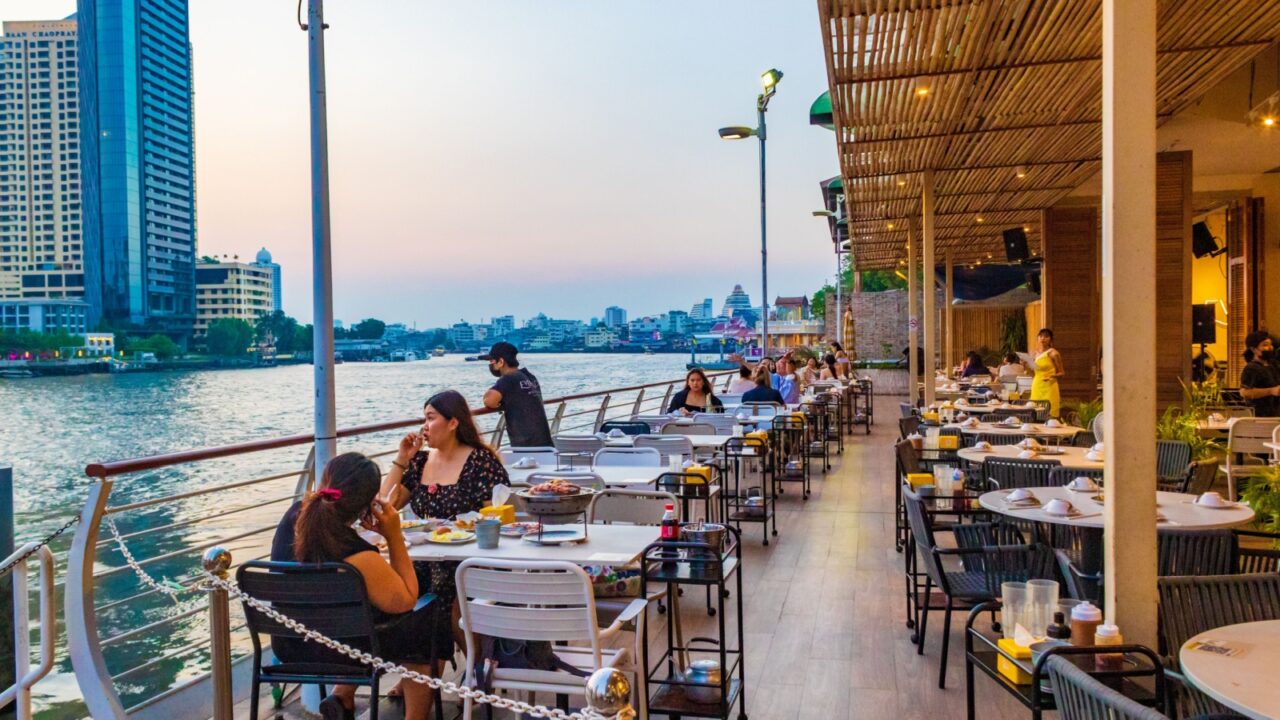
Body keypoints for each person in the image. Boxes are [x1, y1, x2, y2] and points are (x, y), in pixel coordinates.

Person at [271, 453, 438, 720]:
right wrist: (393, 535)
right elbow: (406, 599)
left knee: (356, 617)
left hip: (290, 645)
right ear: (367, 504)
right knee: (426, 620)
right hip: (345, 651)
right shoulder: (357, 555)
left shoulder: (293, 516)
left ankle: (342, 697)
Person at [380, 390, 510, 665]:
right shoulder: (420, 461)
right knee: (395, 595)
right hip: (425, 555)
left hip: (471, 556)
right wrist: (402, 458)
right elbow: (385, 505)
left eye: (431, 418)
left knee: (443, 598)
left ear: (453, 423)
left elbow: (497, 517)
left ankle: (474, 670)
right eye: (423, 419)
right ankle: (418, 670)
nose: (424, 427)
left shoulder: (481, 462)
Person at [480, 342, 552, 448]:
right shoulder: (529, 376)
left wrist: (497, 403)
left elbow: (489, 400)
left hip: (527, 447)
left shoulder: (508, 378)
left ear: (501, 361)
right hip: (545, 443)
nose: (491, 365)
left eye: (492, 361)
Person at [1239, 331, 1280, 417]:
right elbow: (1244, 392)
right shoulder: (1251, 368)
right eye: (1265, 345)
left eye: (1270, 344)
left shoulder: (1274, 365)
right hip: (1261, 416)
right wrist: (1271, 391)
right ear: (1254, 349)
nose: (1270, 348)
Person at [1030, 328, 1065, 418]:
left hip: (1049, 386)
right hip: (1037, 385)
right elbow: (1032, 372)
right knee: (1035, 412)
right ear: (1037, 338)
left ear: (1050, 339)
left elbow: (1062, 373)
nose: (1043, 338)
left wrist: (1052, 376)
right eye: (1041, 336)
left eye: (1046, 336)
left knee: (1049, 414)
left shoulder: (1053, 353)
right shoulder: (1034, 353)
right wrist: (1025, 364)